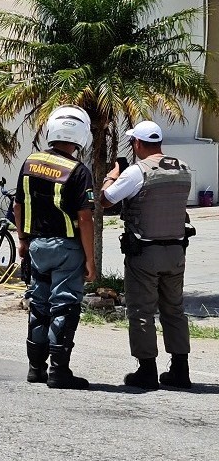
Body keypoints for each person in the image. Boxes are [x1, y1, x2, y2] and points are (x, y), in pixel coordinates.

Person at [100, 121, 194, 390]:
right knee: (174, 310)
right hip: (176, 251)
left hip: (145, 252)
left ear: (138, 144)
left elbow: (107, 199)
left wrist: (112, 175)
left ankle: (147, 371)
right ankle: (180, 369)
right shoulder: (183, 168)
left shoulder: (136, 171)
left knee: (141, 310)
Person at [14, 104, 97, 390]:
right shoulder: (78, 171)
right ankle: (59, 372)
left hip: (36, 245)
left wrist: (23, 240)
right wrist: (90, 259)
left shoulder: (30, 162)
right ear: (81, 136)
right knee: (64, 306)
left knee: (39, 305)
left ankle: (35, 368)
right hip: (66, 248)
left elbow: (18, 204)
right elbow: (85, 218)